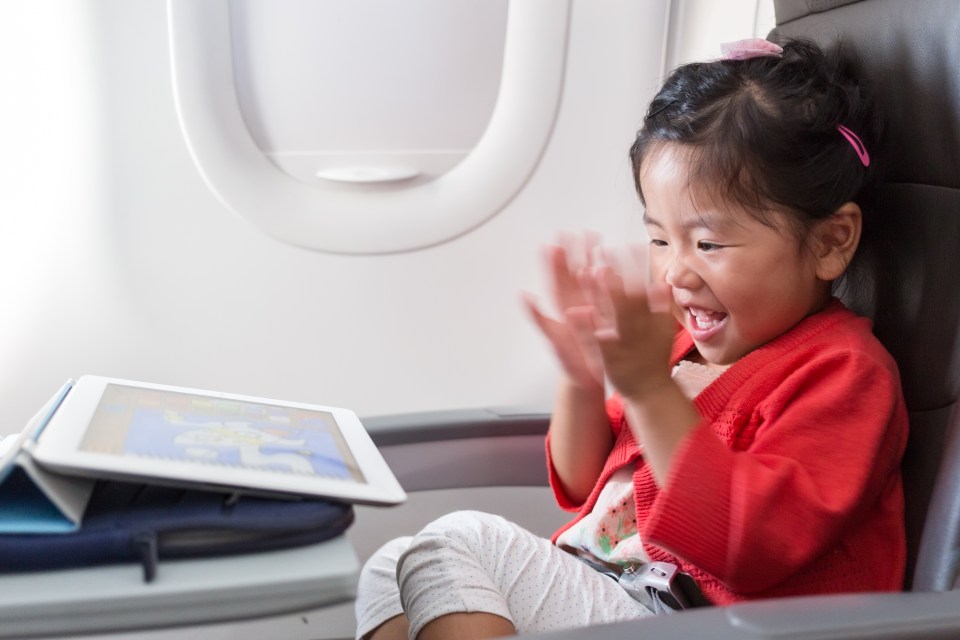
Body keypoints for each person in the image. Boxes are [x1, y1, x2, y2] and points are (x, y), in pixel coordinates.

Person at [353, 37, 908, 640]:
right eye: (660, 239)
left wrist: (648, 392)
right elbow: (577, 479)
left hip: (714, 621)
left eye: (709, 244)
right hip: (617, 595)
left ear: (829, 242)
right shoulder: (677, 349)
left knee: (459, 542)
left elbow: (748, 547)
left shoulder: (846, 375)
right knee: (394, 564)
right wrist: (583, 377)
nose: (676, 272)